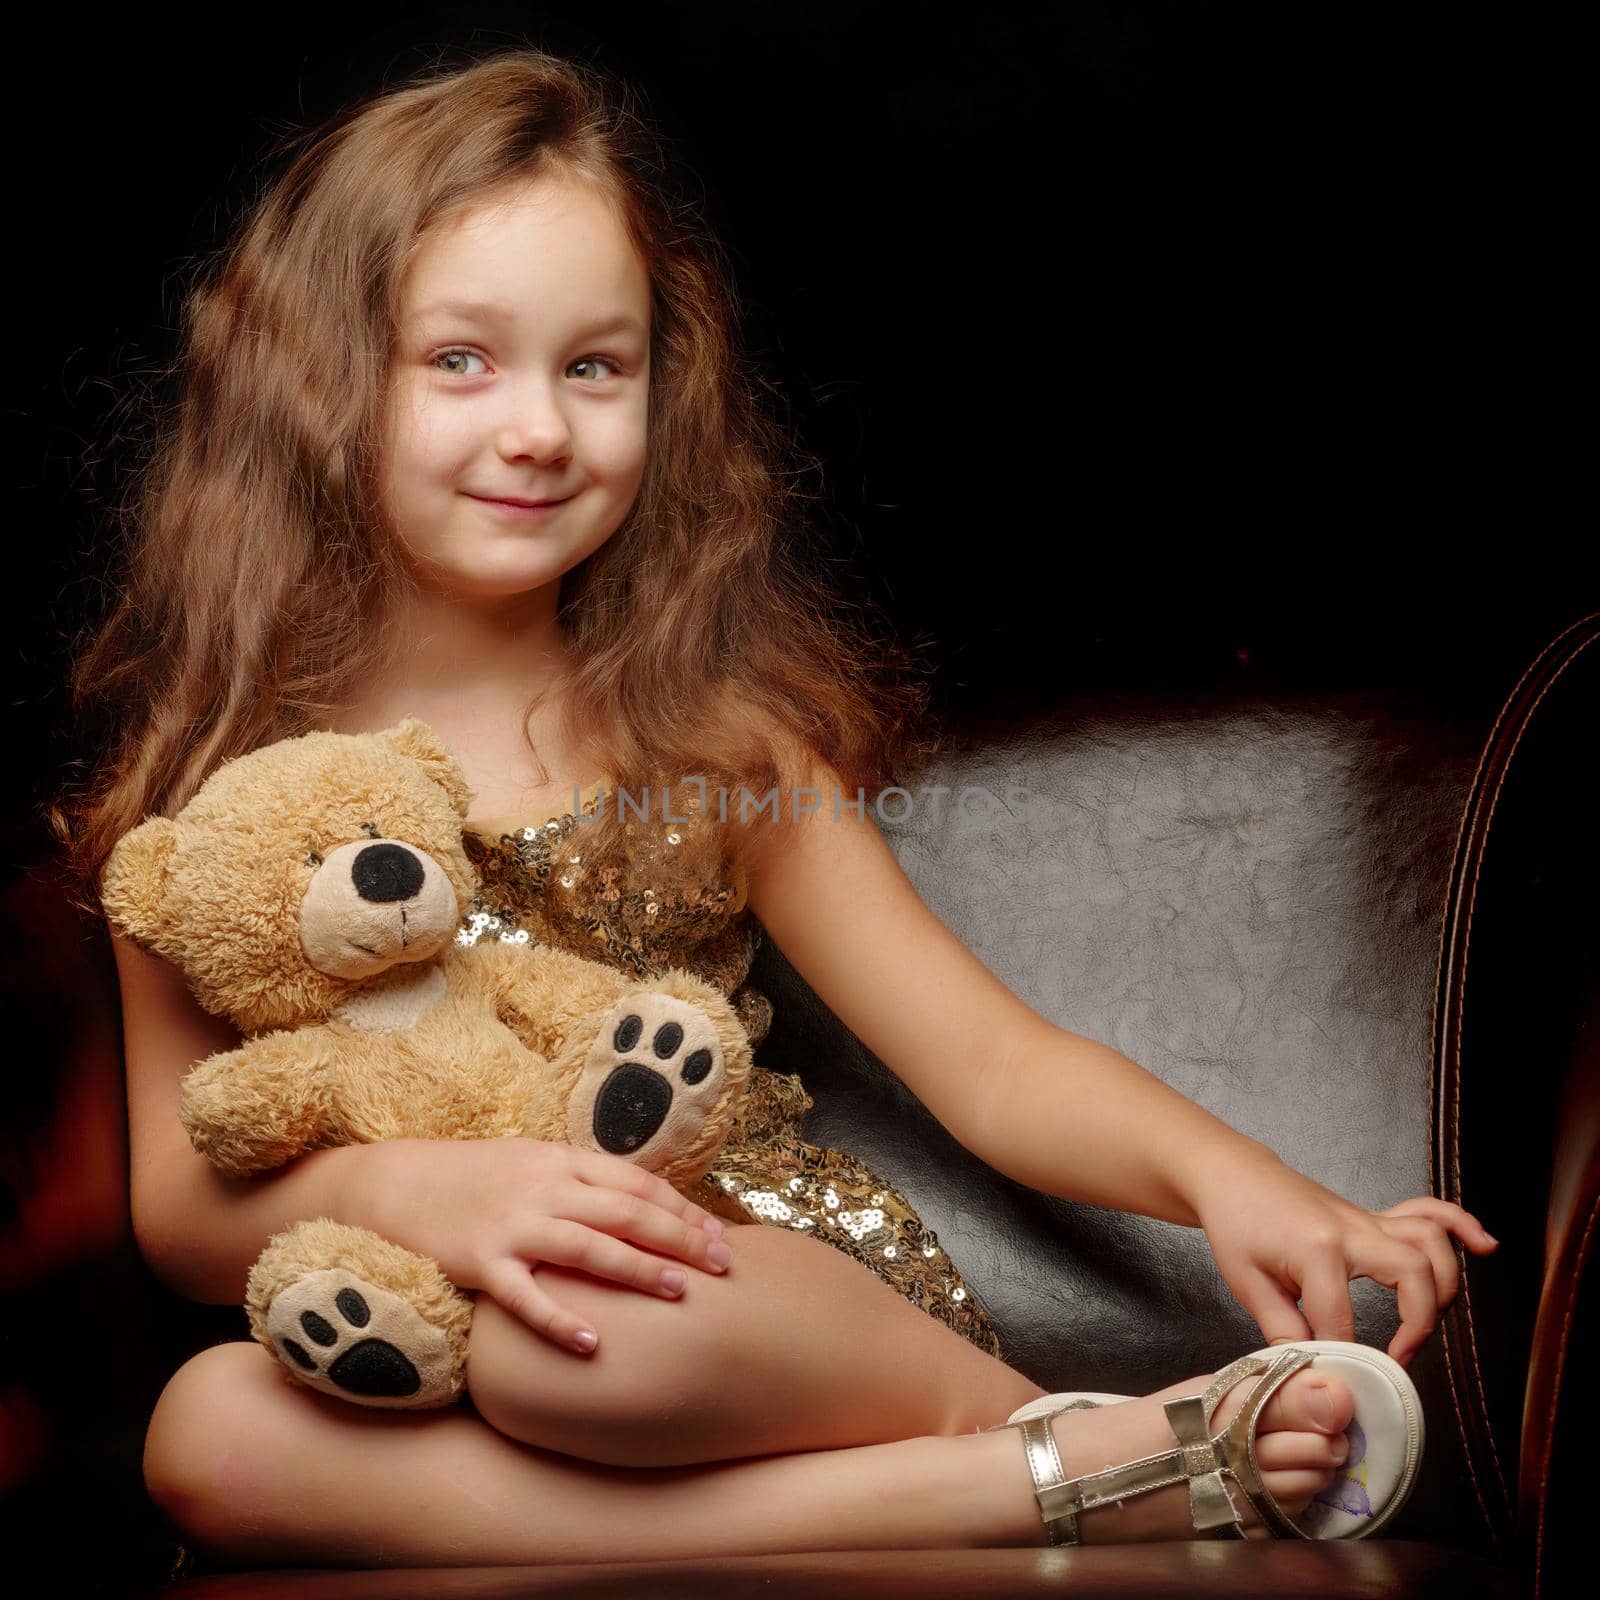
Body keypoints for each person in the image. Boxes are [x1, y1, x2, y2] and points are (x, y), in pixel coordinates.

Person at [51, 47, 1495, 1574]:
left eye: (593, 366)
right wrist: (420, 1189)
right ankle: (1057, 1467)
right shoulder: (217, 787)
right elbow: (188, 1217)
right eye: (461, 361)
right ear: (319, 383)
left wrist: (1238, 1183)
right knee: (205, 1433)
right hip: (430, 1335)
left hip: (734, 1290)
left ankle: (976, 1413)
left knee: (583, 1345)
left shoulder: (705, 741)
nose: (539, 427)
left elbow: (991, 1065)